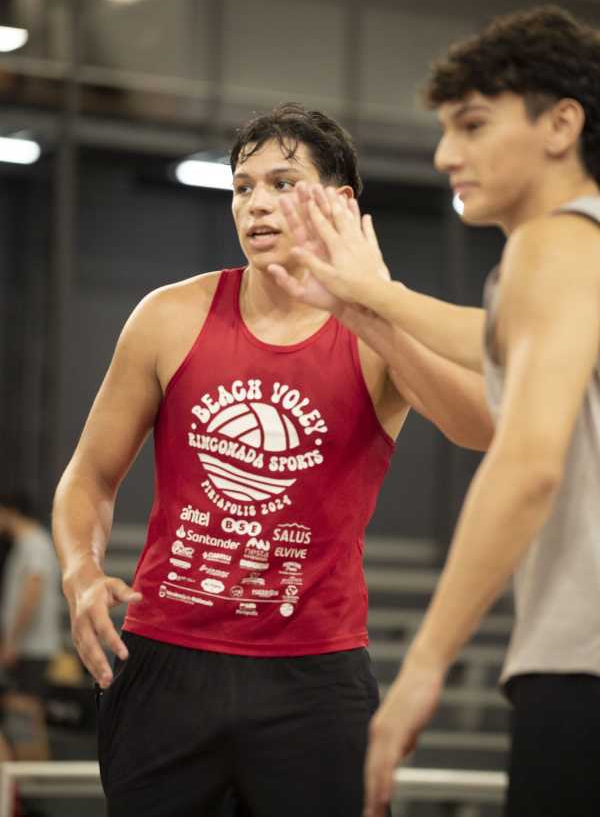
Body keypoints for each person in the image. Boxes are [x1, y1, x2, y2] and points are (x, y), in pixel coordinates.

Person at [52, 103, 492, 817]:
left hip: (313, 677)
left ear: (338, 203)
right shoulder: (169, 315)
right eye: (243, 186)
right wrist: (80, 571)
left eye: (282, 183)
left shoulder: (377, 333)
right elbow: (89, 476)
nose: (255, 203)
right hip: (165, 659)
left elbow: (477, 426)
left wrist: (372, 312)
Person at [270, 6, 600, 817]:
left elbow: (526, 465)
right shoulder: (579, 255)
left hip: (584, 663)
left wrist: (426, 661)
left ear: (562, 125)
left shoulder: (553, 245)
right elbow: (494, 339)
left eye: (474, 124)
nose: (447, 154)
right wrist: (368, 298)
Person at [0, 492, 61, 699]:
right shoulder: (25, 545)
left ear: (10, 512)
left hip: (33, 647)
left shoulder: (35, 545)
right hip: (26, 646)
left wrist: (12, 641)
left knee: (28, 707)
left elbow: (32, 593)